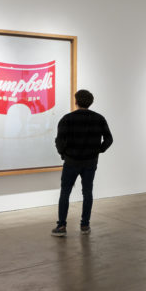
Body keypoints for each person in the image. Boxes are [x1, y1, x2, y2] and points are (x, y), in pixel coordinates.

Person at [51, 89, 113, 236]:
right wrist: (98, 150)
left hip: (71, 162)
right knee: (87, 193)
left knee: (65, 192)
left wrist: (63, 154)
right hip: (90, 163)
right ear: (90, 102)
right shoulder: (99, 119)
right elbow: (109, 139)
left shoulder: (67, 119)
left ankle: (61, 226)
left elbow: (59, 141)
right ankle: (85, 225)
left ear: (76, 101)